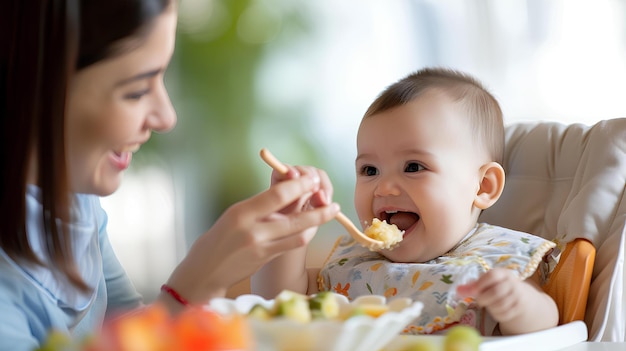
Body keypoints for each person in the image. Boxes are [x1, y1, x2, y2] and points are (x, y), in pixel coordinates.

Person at [0, 1, 340, 349]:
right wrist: (197, 282)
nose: (167, 117)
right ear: (31, 85)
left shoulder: (78, 208)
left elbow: (135, 330)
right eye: (136, 90)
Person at [251, 67, 559, 336]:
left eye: (413, 167)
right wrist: (289, 230)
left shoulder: (494, 261)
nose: (383, 187)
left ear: (483, 186)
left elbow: (549, 322)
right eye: (369, 170)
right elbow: (280, 301)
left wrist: (518, 303)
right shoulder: (355, 264)